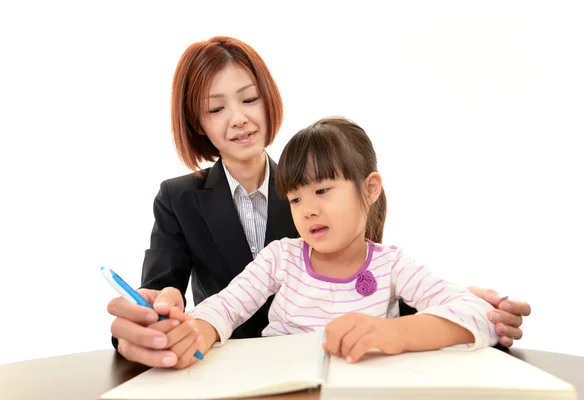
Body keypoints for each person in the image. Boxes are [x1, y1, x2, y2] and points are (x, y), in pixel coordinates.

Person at [106, 36, 531, 369]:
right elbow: (194, 301)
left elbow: (370, 285)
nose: (237, 117)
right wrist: (165, 325)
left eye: (249, 99)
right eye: (215, 108)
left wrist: (456, 307)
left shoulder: (313, 167)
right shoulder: (181, 200)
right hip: (235, 371)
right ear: (198, 123)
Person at [156, 116, 500, 369]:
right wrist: (198, 329)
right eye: (295, 199)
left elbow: (479, 313)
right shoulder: (281, 258)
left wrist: (394, 333)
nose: (308, 211)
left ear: (369, 189)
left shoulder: (391, 265)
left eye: (322, 191)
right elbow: (224, 306)